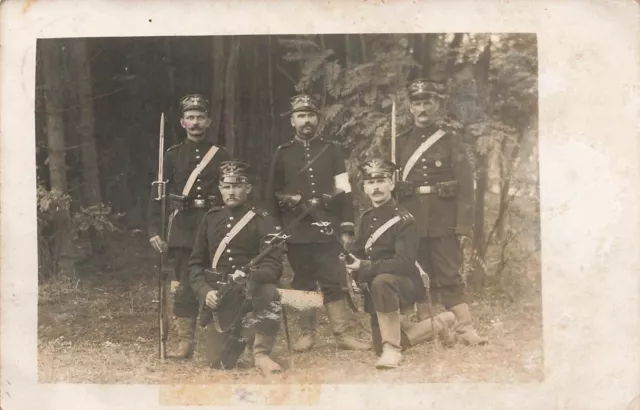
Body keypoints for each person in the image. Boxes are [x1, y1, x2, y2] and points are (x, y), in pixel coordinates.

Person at [265, 94, 369, 352]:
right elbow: (270, 194)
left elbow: (343, 190)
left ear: (317, 119)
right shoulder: (282, 153)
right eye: (301, 116)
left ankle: (342, 335)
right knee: (303, 281)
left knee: (333, 280)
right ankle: (307, 335)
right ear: (292, 121)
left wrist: (346, 226)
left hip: (328, 227)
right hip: (296, 229)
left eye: (311, 115)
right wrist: (276, 230)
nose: (306, 121)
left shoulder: (332, 150)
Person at [394, 79, 487, 345]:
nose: (422, 108)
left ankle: (465, 329)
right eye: (417, 103)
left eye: (427, 102)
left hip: (443, 219)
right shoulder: (399, 143)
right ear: (410, 108)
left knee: (449, 274)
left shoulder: (452, 141)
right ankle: (435, 328)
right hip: (411, 219)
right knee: (420, 276)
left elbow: (466, 189)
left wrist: (463, 227)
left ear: (437, 105)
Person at [345, 158, 455, 369]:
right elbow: (359, 251)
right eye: (370, 182)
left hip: (404, 283)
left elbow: (404, 263)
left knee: (382, 282)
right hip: (378, 284)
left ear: (391, 184)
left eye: (381, 181)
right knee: (379, 345)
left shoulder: (404, 220)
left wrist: (365, 267)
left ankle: (392, 350)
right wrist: (353, 268)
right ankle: (442, 322)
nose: (376, 187)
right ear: (365, 188)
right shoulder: (366, 218)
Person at [147, 94, 231, 359]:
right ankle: (186, 342)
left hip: (213, 225)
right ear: (183, 123)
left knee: (217, 279)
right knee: (184, 283)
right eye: (190, 118)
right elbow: (157, 196)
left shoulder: (221, 155)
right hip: (182, 227)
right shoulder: (172, 156)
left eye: (200, 117)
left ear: (208, 121)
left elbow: (231, 193)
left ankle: (218, 337)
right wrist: (154, 230)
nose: (195, 122)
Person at [188, 160, 284, 375]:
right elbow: (194, 264)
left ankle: (261, 354)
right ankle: (244, 337)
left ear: (247, 189)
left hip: (251, 292)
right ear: (220, 189)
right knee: (219, 362)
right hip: (221, 294)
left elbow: (274, 266)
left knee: (269, 292)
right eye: (227, 186)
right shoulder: (210, 218)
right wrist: (206, 292)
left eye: (237, 186)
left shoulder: (262, 220)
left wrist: (250, 276)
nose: (231, 191)